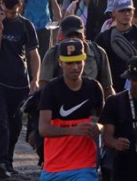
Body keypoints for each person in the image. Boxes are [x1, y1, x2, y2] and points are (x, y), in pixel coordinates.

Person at [0, 0, 40, 179]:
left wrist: (35, 78)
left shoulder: (26, 25)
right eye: (6, 10)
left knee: (15, 125)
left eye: (12, 11)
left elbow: (33, 55)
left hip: (19, 82)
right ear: (1, 5)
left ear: (20, 6)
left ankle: (7, 159)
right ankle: (0, 162)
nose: (8, 14)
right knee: (0, 122)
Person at [39, 39, 104, 181]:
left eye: (78, 62)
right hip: (54, 167)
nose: (75, 67)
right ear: (60, 63)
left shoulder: (94, 87)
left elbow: (103, 120)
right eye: (70, 63)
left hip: (84, 165)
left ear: (84, 60)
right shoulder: (51, 89)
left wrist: (97, 127)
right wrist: (73, 130)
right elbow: (43, 129)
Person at [40, 15, 114, 98]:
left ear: (84, 33)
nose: (74, 38)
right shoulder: (53, 54)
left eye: (77, 34)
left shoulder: (98, 53)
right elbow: (44, 87)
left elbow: (107, 87)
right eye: (69, 35)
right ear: (62, 36)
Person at [95, 0, 137, 93]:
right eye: (122, 11)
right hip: (112, 90)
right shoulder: (103, 38)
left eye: (129, 10)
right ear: (113, 13)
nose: (126, 14)